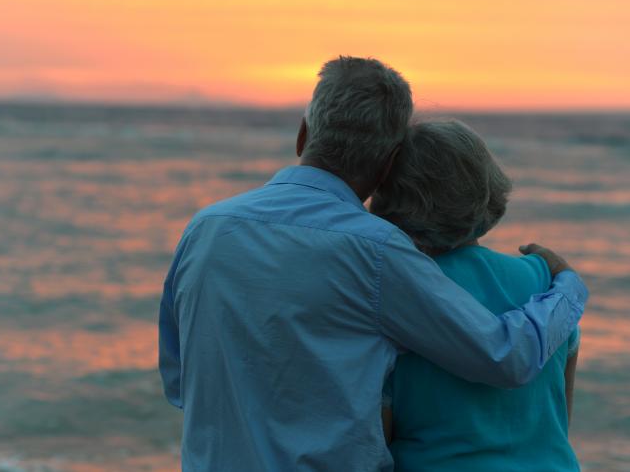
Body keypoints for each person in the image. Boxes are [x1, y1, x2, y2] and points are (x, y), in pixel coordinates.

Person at [158, 56, 588, 472]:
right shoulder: (377, 250)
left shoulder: (206, 227)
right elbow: (503, 357)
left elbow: (179, 379)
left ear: (303, 135)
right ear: (387, 165)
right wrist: (568, 284)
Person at [371, 120, 581, 471]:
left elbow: (377, 445)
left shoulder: (396, 297)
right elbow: (557, 423)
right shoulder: (548, 280)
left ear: (391, 197)